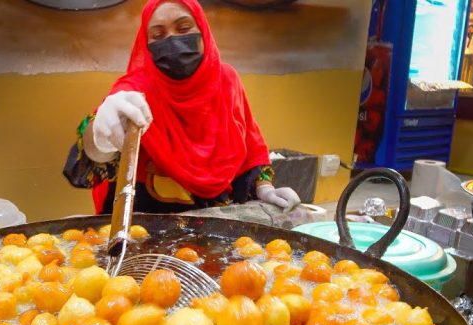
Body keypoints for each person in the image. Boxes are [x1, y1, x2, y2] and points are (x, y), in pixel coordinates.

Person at [63, 0, 300, 214]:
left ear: (203, 31)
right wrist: (99, 137)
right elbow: (95, 155)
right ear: (146, 44)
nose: (173, 40)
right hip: (148, 231)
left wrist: (266, 189)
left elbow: (249, 144)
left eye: (184, 28)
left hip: (217, 225)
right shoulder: (134, 90)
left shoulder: (227, 80)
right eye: (158, 34)